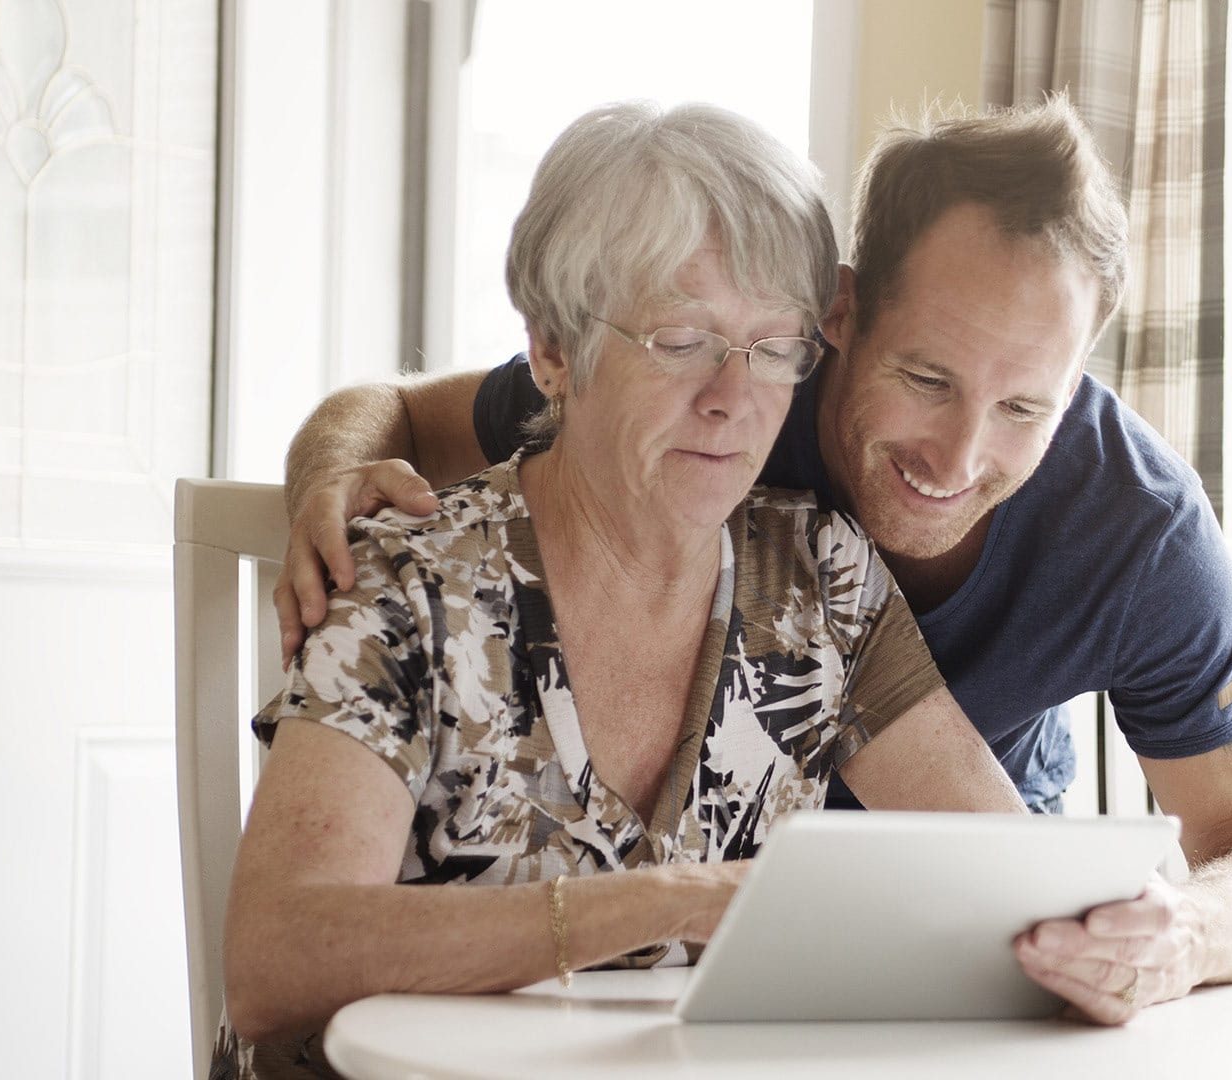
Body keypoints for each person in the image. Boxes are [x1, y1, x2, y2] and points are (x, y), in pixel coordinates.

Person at [278, 97, 1232, 1024]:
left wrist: (1170, 937)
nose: (959, 459)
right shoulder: (689, 418)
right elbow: (401, 412)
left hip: (910, 946)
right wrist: (330, 485)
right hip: (644, 971)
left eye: (1023, 408)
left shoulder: (1107, 533)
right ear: (841, 316)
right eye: (924, 376)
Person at [221, 101, 1025, 1077]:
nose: (735, 396)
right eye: (683, 339)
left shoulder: (820, 576)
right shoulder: (410, 579)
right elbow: (276, 964)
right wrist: (675, 901)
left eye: (776, 346)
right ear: (554, 350)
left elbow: (1005, 876)